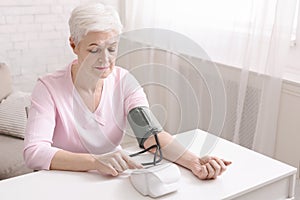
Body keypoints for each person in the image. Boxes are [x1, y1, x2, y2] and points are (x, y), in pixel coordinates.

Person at [24, 3, 231, 180]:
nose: (105, 60)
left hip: (111, 177)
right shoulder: (48, 89)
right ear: (74, 45)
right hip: (62, 180)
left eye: (112, 48)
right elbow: (34, 152)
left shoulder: (124, 82)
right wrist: (95, 161)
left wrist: (194, 161)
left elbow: (151, 135)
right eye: (94, 49)